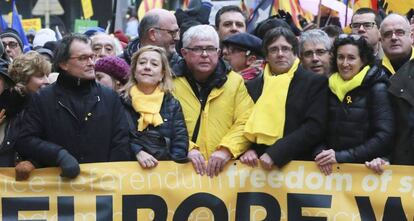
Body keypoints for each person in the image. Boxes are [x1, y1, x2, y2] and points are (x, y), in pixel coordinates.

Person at [15, 34, 131, 179]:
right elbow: (26, 140)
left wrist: (108, 176)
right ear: (64, 64)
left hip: (102, 189)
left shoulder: (110, 98)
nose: (91, 63)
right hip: (58, 189)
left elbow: (121, 143)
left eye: (92, 57)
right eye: (83, 58)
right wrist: (59, 155)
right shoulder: (42, 99)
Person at [172, 25, 253, 177]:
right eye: (197, 49)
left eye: (210, 49)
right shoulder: (169, 82)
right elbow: (162, 124)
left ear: (218, 53)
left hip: (224, 173)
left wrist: (226, 150)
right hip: (182, 172)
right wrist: (186, 148)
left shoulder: (235, 82)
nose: (204, 54)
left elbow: (246, 121)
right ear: (184, 53)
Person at [242, 27, 328, 169]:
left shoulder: (314, 82)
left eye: (285, 49)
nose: (280, 54)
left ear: (295, 53)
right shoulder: (252, 86)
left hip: (299, 167)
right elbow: (244, 123)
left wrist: (276, 153)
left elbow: (314, 127)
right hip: (258, 167)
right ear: (266, 56)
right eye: (274, 49)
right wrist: (248, 149)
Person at [313, 35, 394, 175]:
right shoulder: (327, 86)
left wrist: (342, 156)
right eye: (340, 57)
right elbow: (315, 127)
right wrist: (321, 154)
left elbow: (384, 135)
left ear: (363, 60)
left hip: (363, 171)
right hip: (329, 170)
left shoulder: (377, 88)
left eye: (351, 58)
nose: (344, 63)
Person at [121, 45, 188, 168]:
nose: (147, 67)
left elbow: (180, 142)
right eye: (142, 63)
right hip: (128, 174)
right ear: (134, 71)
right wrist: (137, 151)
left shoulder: (172, 104)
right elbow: (116, 138)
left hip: (163, 177)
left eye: (154, 64)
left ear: (162, 74)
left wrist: (170, 169)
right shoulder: (120, 101)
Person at [366, 14, 414, 173]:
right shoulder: (369, 73)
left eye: (400, 32)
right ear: (380, 40)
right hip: (387, 168)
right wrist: (381, 156)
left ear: (411, 36)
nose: (394, 37)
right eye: (387, 34)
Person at [6, 51, 51, 180]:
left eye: (47, 76)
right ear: (23, 78)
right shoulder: (7, 107)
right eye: (40, 76)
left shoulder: (48, 105)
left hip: (37, 182)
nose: (47, 81)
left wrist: (34, 162)